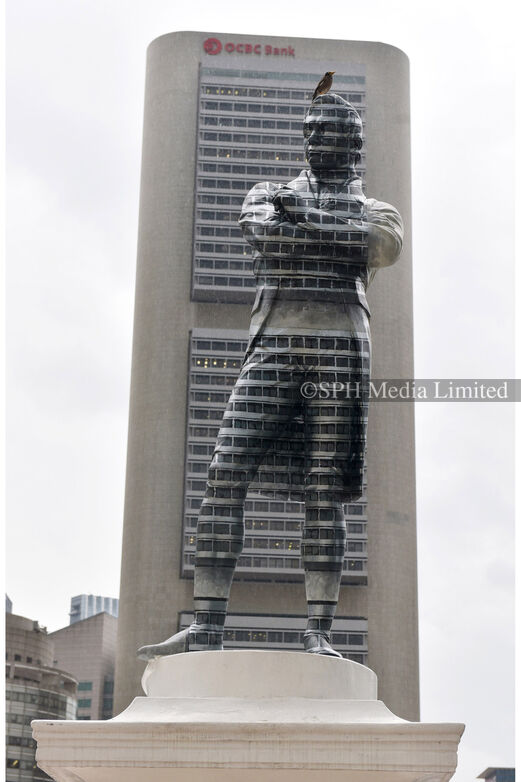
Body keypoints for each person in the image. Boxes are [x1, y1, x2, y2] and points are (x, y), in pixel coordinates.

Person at [138, 93, 403, 661]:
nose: (316, 141)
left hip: (340, 346)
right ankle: (207, 626)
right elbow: (265, 237)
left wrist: (306, 216)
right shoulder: (263, 194)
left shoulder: (376, 207)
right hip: (276, 339)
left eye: (328, 133)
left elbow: (379, 247)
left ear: (352, 143)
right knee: (224, 470)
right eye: (310, 131)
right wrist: (336, 239)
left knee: (324, 490)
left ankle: (319, 632)